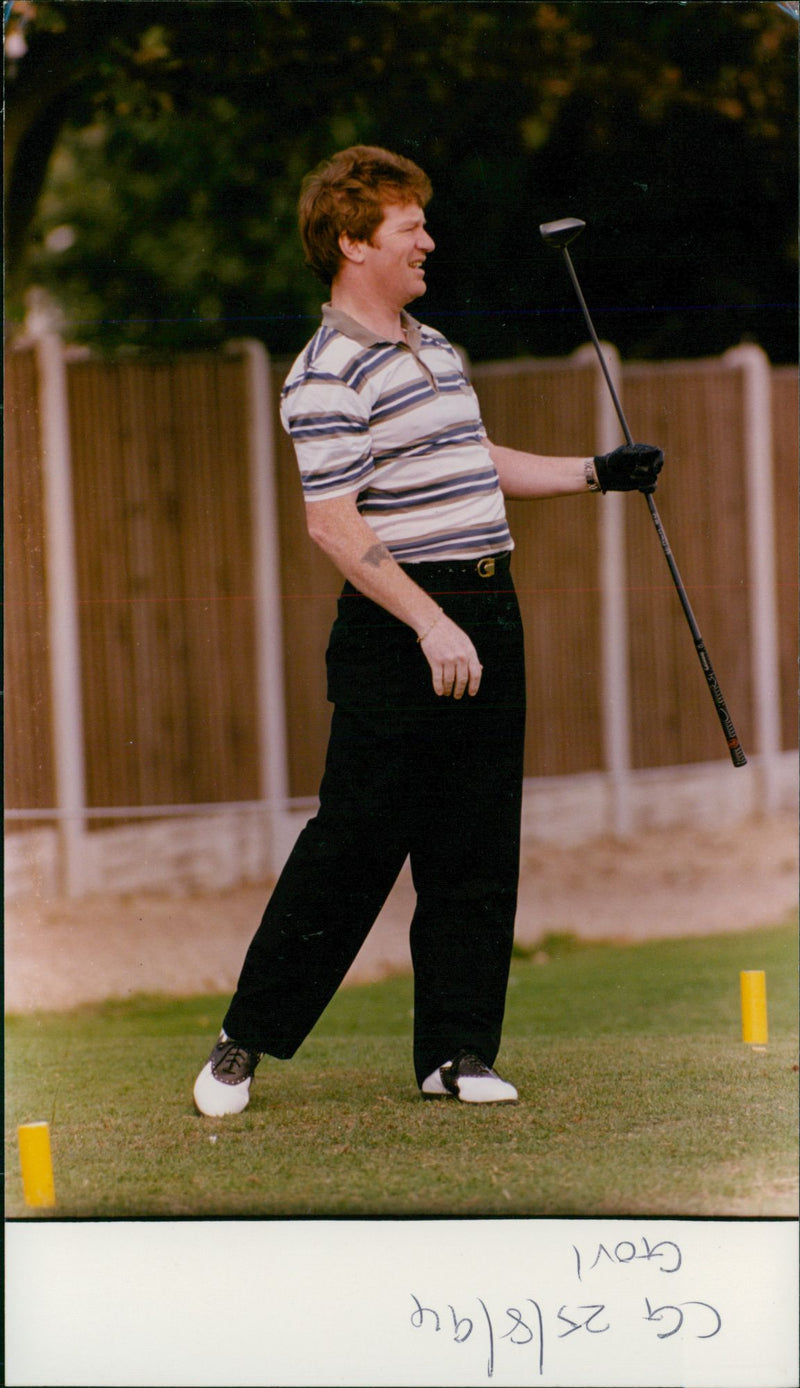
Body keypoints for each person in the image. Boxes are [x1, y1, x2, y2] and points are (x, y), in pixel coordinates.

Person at [193, 145, 662, 1115]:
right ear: (354, 240)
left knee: (475, 843)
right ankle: (244, 1040)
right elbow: (333, 521)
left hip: (487, 606)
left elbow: (472, 458)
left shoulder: (433, 346)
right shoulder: (323, 374)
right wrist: (429, 622)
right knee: (355, 843)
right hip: (397, 625)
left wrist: (594, 471)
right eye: (411, 228)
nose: (428, 242)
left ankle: (456, 1052)